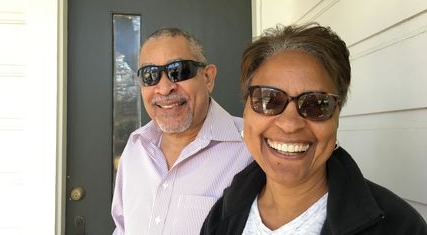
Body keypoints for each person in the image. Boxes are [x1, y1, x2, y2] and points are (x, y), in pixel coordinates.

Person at [201, 23, 427, 234]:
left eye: (316, 104)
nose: (289, 124)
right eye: (268, 99)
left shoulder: (401, 227)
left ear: (337, 115)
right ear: (246, 110)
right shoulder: (222, 215)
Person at [111, 27, 252, 235]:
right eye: (150, 75)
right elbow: (122, 228)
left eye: (178, 71)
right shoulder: (135, 148)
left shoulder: (251, 147)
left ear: (207, 78)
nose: (164, 88)